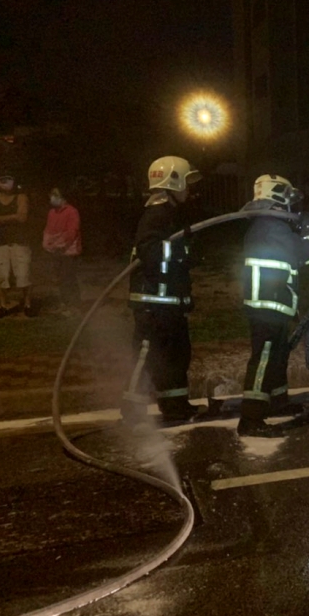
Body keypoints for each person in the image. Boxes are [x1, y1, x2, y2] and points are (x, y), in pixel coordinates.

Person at [237, 174, 309, 437]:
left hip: (275, 304)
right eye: (289, 198)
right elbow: (298, 252)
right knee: (265, 359)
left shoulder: (271, 227)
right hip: (265, 306)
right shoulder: (270, 227)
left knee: (278, 355)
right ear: (278, 196)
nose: (292, 205)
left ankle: (277, 402)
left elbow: (301, 258)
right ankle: (250, 419)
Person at [120, 156, 202, 425]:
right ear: (173, 182)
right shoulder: (157, 214)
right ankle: (132, 411)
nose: (189, 190)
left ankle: (176, 406)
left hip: (170, 303)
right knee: (146, 357)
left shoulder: (171, 214)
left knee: (176, 356)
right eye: (186, 184)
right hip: (153, 303)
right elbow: (150, 250)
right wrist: (181, 252)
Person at [0, 170, 33, 317]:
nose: (5, 182)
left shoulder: (21, 197)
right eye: (2, 179)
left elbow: (23, 218)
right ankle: (3, 306)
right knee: (1, 277)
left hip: (20, 241)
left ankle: (27, 304)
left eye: (8, 179)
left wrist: (1, 218)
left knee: (24, 274)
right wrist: (14, 216)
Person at [42, 187, 83, 315]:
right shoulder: (52, 213)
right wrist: (47, 243)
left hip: (69, 251)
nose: (52, 198)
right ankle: (65, 303)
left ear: (63, 197)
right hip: (56, 251)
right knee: (59, 278)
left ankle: (75, 305)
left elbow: (72, 231)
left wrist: (60, 243)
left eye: (55, 195)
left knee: (69, 278)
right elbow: (48, 229)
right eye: (51, 195)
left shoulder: (72, 212)